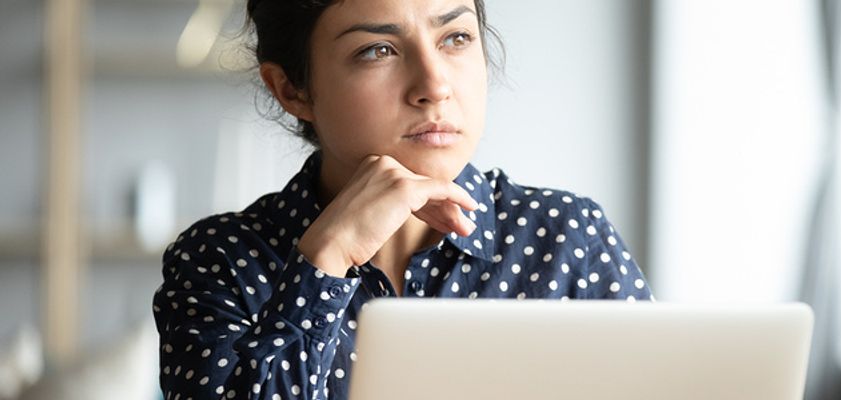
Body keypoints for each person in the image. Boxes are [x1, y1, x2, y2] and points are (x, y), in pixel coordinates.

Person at [151, 0, 653, 398]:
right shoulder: (220, 258)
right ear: (292, 89)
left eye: (455, 38)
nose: (434, 86)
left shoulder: (567, 238)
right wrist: (325, 260)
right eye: (377, 50)